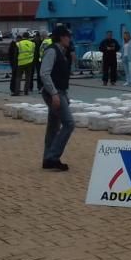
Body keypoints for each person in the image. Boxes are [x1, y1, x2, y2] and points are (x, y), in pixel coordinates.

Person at [40, 25, 75, 171]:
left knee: (53, 126)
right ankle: (53, 157)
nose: (70, 39)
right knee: (69, 123)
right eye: (68, 36)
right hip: (53, 93)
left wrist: (65, 95)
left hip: (60, 92)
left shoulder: (62, 52)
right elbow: (44, 73)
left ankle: (47, 158)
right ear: (62, 37)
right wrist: (54, 93)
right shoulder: (52, 51)